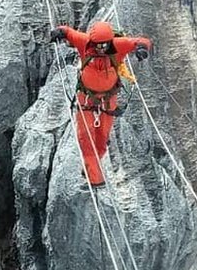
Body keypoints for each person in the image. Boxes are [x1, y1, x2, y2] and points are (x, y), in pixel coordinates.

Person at [50, 21, 153, 187]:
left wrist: (142, 48)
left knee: (102, 138)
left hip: (107, 100)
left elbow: (141, 41)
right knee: (85, 136)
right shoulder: (84, 42)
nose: (101, 48)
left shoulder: (118, 45)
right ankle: (95, 178)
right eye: (98, 45)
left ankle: (92, 164)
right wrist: (59, 32)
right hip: (86, 99)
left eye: (104, 45)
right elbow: (69, 32)